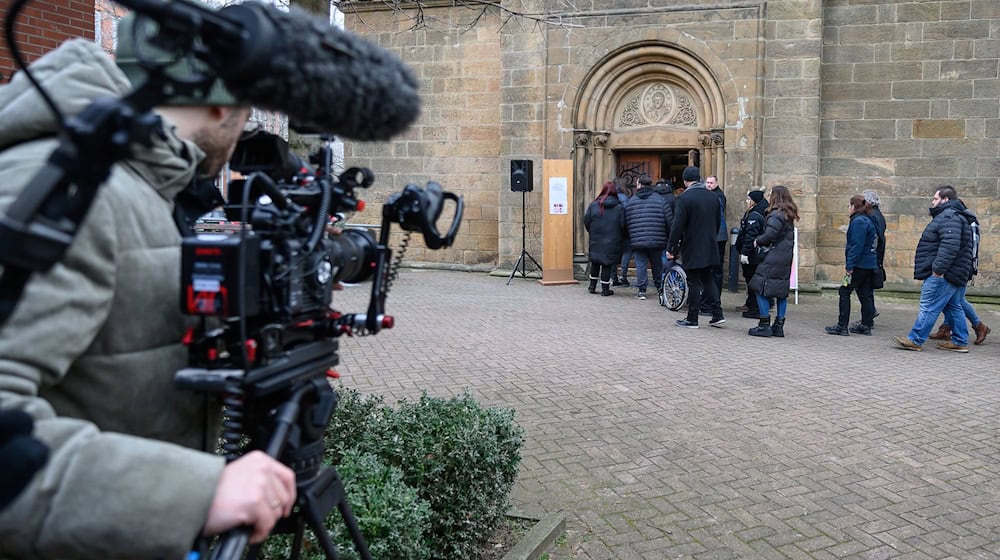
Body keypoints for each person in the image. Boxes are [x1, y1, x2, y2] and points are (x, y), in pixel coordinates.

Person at [0, 21, 296, 559]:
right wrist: (192, 493)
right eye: (247, 111)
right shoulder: (70, 188)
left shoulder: (139, 187)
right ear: (218, 105)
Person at [893, 186, 976, 352]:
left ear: (945, 200)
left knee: (929, 306)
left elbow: (950, 246)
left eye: (935, 199)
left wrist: (937, 270)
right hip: (953, 272)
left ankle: (915, 340)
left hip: (944, 274)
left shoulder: (949, 216)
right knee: (954, 306)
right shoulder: (954, 216)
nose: (933, 202)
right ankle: (960, 341)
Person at [667, 166, 725, 328]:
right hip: (710, 244)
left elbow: (677, 226)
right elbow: (717, 222)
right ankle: (717, 313)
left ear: (685, 181)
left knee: (693, 281)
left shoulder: (684, 198)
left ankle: (692, 318)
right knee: (708, 279)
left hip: (692, 245)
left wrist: (671, 247)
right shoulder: (713, 197)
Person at [927, 198, 990, 345]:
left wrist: (968, 268)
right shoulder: (958, 220)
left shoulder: (969, 222)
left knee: (957, 301)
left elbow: (971, 248)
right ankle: (947, 328)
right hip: (960, 266)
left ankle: (979, 326)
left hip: (963, 267)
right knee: (953, 300)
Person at [747, 185, 798, 337]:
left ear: (776, 196)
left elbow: (770, 235)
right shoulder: (788, 214)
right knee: (781, 292)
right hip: (785, 257)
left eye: (770, 194)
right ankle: (779, 325)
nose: (768, 196)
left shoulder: (776, 214)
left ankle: (764, 324)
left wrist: (757, 241)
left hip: (773, 257)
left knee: (759, 287)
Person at [825, 195, 878, 336]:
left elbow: (856, 246)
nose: (848, 209)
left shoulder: (859, 221)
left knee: (844, 291)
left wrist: (850, 266)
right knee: (865, 293)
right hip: (868, 264)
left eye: (849, 206)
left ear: (854, 207)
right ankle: (866, 325)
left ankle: (842, 325)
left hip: (860, 264)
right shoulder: (868, 219)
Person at [624, 174, 670, 300]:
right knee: (657, 265)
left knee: (641, 265)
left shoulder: (631, 201)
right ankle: (659, 287)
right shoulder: (660, 199)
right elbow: (669, 220)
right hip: (657, 239)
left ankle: (642, 290)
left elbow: (626, 221)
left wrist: (630, 236)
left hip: (637, 240)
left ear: (639, 184)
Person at [584, 181, 627, 296]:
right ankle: (605, 289)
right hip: (612, 240)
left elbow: (587, 221)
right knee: (607, 264)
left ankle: (592, 286)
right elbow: (623, 225)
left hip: (596, 239)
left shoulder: (593, 205)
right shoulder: (619, 208)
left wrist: (593, 232)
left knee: (595, 262)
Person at [735, 189, 768, 318]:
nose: (747, 201)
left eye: (749, 199)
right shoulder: (757, 212)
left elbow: (750, 236)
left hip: (753, 255)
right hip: (755, 254)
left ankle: (755, 308)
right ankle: (752, 305)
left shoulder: (754, 216)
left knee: (752, 281)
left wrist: (745, 253)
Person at [701, 175, 727, 315]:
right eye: (707, 182)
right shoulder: (715, 196)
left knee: (713, 272)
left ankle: (710, 303)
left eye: (711, 182)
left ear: (716, 183)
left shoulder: (717, 197)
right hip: (717, 236)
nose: (709, 184)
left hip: (716, 238)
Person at [612, 177, 635, 287]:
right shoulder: (624, 198)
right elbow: (628, 213)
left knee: (613, 253)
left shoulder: (609, 197)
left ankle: (613, 277)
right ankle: (623, 276)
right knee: (626, 252)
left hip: (612, 230)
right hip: (624, 230)